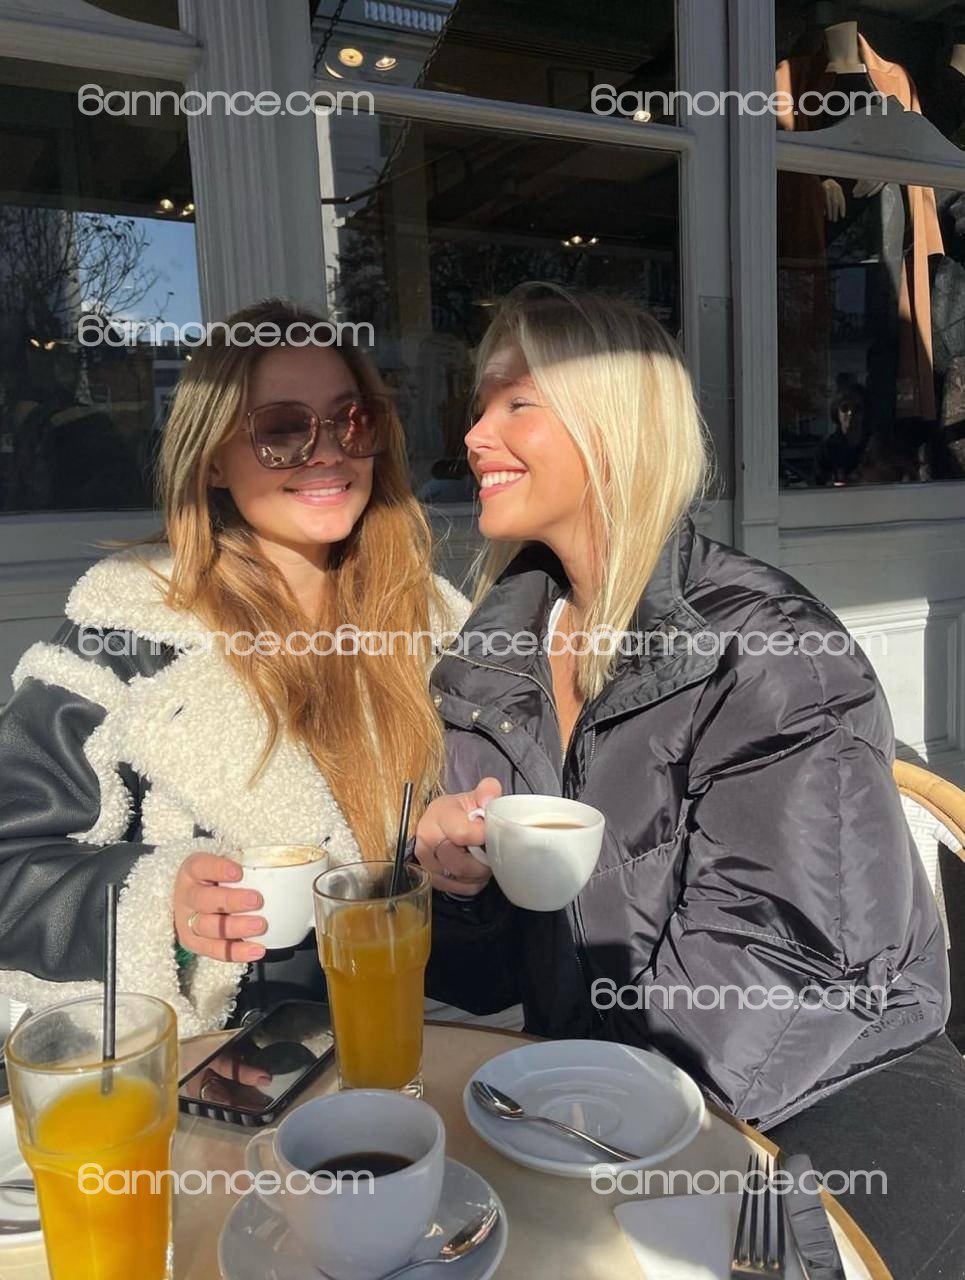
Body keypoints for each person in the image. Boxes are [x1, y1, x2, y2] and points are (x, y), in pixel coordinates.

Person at [413, 282, 965, 1279]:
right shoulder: (491, 663)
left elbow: (787, 966)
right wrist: (455, 887)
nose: (474, 431)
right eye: (479, 401)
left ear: (616, 428)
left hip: (838, 1088)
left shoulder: (770, 654)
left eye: (516, 401)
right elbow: (483, 981)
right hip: (597, 1096)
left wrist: (596, 1133)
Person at [0, 298, 467, 1034]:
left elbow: (481, 927)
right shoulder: (128, 633)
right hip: (220, 1066)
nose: (327, 452)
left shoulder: (435, 624)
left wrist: (464, 866)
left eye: (352, 420)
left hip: (416, 1036)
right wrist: (161, 898)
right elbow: (11, 870)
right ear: (213, 459)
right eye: (281, 429)